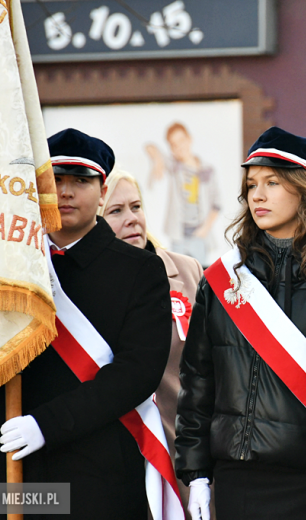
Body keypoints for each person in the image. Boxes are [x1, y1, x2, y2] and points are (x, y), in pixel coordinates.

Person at [174, 126, 306, 520]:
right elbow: (197, 383)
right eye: (252, 184)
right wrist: (197, 474)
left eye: (272, 182)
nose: (257, 195)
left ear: (305, 190)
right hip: (234, 480)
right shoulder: (223, 280)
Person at [0, 129, 172, 519]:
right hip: (14, 471)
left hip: (100, 474)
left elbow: (138, 372)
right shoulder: (8, 266)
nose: (65, 192)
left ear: (102, 193)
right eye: (54, 180)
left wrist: (46, 424)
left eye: (80, 181)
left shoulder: (140, 269)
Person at [99, 169, 203, 509]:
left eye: (136, 206)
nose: (131, 219)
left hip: (185, 453)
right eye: (115, 211)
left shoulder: (187, 271)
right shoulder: (83, 287)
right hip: (122, 460)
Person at [146, 122, 221, 264]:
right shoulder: (174, 167)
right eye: (173, 144)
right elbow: (150, 147)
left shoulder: (207, 170)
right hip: (178, 236)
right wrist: (157, 160)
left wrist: (205, 229)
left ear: (189, 139)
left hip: (199, 235)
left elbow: (217, 203)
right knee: (179, 274)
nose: (179, 147)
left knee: (200, 276)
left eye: (181, 140)